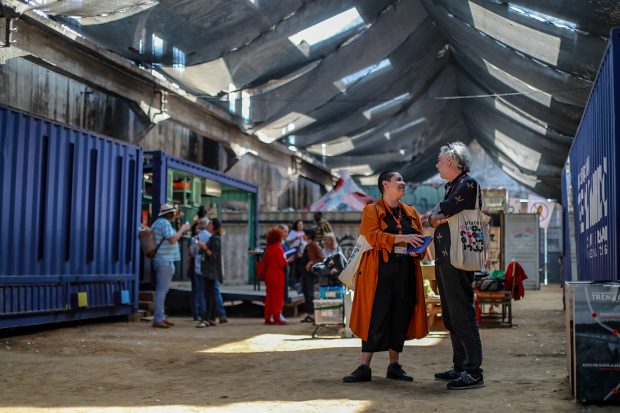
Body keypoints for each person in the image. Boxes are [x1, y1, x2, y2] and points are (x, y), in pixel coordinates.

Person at [343, 171, 429, 383]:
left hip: (406, 269)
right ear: (385, 185)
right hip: (379, 270)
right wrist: (402, 237)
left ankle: (394, 365)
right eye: (398, 180)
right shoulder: (371, 210)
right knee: (376, 314)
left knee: (401, 314)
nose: (403, 183)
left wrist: (419, 248)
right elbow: (371, 236)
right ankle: (364, 366)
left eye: (403, 180)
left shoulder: (410, 211)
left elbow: (416, 238)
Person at [429, 141, 485, 390]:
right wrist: (437, 217)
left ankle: (473, 371)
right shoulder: (452, 185)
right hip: (445, 256)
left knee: (462, 312)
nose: (437, 164)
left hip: (457, 257)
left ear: (451, 161)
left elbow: (446, 209)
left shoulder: (468, 183)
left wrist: (436, 216)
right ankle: (460, 365)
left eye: (440, 160)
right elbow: (441, 214)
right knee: (451, 315)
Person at [151, 203, 191, 328]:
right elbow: (173, 239)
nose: (176, 215)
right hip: (164, 260)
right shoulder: (164, 223)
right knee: (162, 291)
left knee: (162, 290)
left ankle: (161, 317)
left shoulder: (158, 223)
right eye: (174, 213)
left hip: (163, 260)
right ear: (170, 214)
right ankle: (158, 319)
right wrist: (183, 229)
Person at [263, 227, 294, 325]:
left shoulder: (268, 248)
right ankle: (277, 317)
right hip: (277, 274)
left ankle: (268, 316)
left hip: (269, 273)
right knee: (277, 297)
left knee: (269, 297)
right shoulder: (278, 248)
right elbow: (282, 263)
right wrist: (288, 260)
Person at [196, 218, 223, 327]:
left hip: (211, 270)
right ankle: (211, 317)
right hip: (210, 270)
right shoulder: (213, 238)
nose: (209, 224)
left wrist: (205, 248)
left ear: (213, 226)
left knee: (209, 295)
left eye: (211, 223)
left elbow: (214, 256)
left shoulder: (215, 239)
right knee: (210, 294)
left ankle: (207, 318)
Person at [299, 228, 323, 323]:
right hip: (305, 274)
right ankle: (309, 315)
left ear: (309, 236)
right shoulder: (308, 246)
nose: (303, 236)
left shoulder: (314, 245)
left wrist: (311, 262)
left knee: (310, 294)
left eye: (304, 234)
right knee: (306, 294)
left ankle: (312, 315)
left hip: (310, 274)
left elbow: (321, 258)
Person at [189, 218, 210, 326]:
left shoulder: (195, 238)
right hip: (209, 268)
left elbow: (192, 252)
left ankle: (203, 315)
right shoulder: (210, 237)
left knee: (200, 292)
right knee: (210, 292)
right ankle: (211, 315)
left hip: (198, 267)